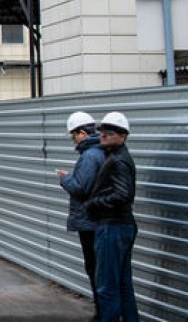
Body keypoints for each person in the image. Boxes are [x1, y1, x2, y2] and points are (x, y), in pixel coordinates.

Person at [84, 111, 139, 322]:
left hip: (112, 227)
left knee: (107, 286)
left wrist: (94, 203)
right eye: (102, 131)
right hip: (120, 225)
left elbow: (123, 194)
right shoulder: (116, 157)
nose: (104, 135)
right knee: (123, 284)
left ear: (123, 136)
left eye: (110, 132)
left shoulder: (118, 160)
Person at [57, 110, 106, 321]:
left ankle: (102, 312)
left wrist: (65, 178)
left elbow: (81, 188)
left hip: (90, 222)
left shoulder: (90, 156)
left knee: (94, 267)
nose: (73, 140)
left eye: (74, 135)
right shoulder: (101, 152)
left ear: (83, 133)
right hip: (97, 220)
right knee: (101, 269)